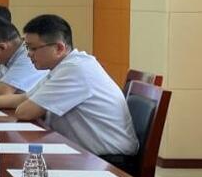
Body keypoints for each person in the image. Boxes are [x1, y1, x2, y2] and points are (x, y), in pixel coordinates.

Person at [14, 14, 138, 163]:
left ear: (59, 48)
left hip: (109, 161)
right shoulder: (65, 66)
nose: (29, 54)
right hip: (90, 156)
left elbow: (24, 112)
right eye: (27, 47)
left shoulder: (76, 69)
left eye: (33, 48)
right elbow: (25, 98)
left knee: (26, 165)